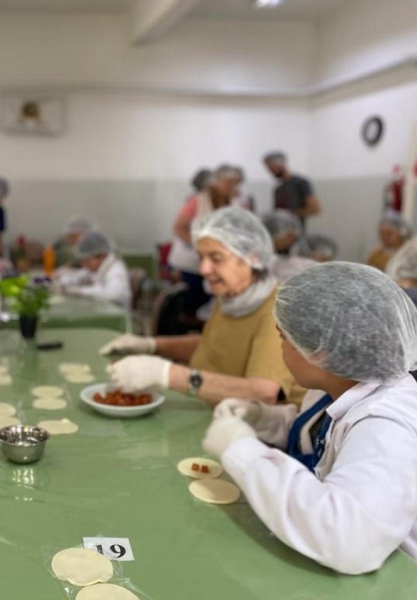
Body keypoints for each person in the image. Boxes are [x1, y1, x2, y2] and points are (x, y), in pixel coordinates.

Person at [202, 262, 417, 575]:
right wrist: (261, 418)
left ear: (321, 350)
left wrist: (243, 452)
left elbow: (348, 540)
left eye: (284, 338)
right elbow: (320, 434)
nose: (280, 349)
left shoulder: (387, 425)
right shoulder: (337, 382)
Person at [100, 207, 304, 407]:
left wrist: (168, 375)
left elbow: (263, 392)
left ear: (252, 259)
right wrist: (151, 345)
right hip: (206, 405)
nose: (204, 269)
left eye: (216, 258)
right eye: (201, 257)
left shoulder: (275, 313)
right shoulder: (232, 298)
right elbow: (212, 346)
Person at [168, 165, 240, 316]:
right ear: (216, 182)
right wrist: (198, 246)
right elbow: (178, 227)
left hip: (216, 259)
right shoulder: (198, 201)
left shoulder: (234, 203)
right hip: (190, 261)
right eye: (228, 183)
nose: (233, 187)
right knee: (193, 301)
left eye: (235, 183)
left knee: (212, 299)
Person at [59, 231, 131, 309]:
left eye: (87, 261)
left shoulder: (115, 270)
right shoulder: (96, 268)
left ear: (102, 255)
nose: (84, 265)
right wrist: (62, 283)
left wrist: (80, 291)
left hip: (117, 314)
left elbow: (111, 294)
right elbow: (79, 276)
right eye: (83, 261)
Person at [263, 151, 320, 229]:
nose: (271, 173)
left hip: (295, 232)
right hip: (280, 233)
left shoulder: (301, 183)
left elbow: (314, 209)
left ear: (281, 164)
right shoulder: (278, 189)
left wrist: (289, 214)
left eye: (272, 169)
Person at [261, 210, 316, 283]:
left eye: (293, 237)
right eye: (289, 236)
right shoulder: (260, 258)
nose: (291, 240)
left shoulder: (284, 257)